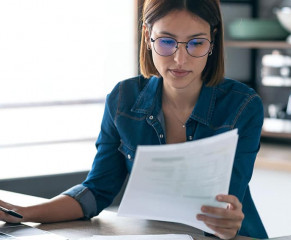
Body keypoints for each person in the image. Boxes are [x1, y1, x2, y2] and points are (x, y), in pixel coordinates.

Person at [0, 0, 268, 239]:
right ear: (147, 36)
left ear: (213, 41)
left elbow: (227, 205)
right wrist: (23, 212)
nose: (180, 58)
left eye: (196, 43)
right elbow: (97, 191)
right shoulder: (122, 98)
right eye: (166, 41)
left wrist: (226, 222)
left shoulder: (242, 105)